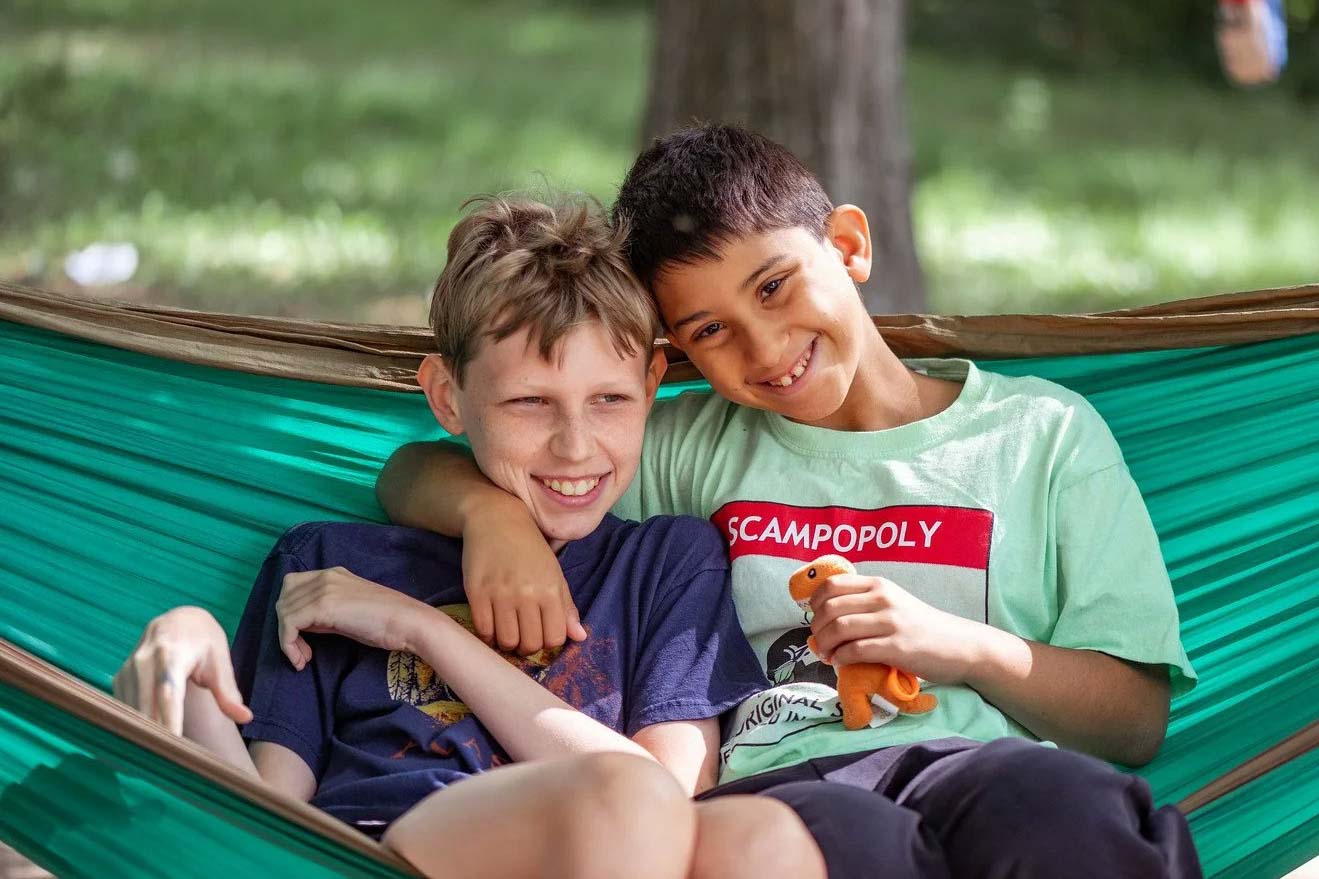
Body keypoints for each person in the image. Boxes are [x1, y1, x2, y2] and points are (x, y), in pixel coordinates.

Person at [376, 126, 1204, 877]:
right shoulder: (689, 445)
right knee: (861, 847)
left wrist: (959, 647)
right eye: (709, 331)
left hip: (983, 763)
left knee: (1071, 811)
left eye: (773, 287)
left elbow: (1132, 722)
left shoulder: (1041, 435)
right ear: (677, 352)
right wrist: (492, 517)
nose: (764, 349)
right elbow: (414, 468)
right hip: (781, 788)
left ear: (847, 245)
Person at [112, 194, 827, 879]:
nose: (574, 447)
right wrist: (190, 649)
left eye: (608, 399)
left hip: (619, 841)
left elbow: (673, 791)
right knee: (624, 795)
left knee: (763, 836)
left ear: (649, 383)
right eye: (528, 403)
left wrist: (424, 631)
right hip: (385, 848)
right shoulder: (329, 568)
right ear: (447, 398)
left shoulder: (666, 562)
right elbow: (265, 820)